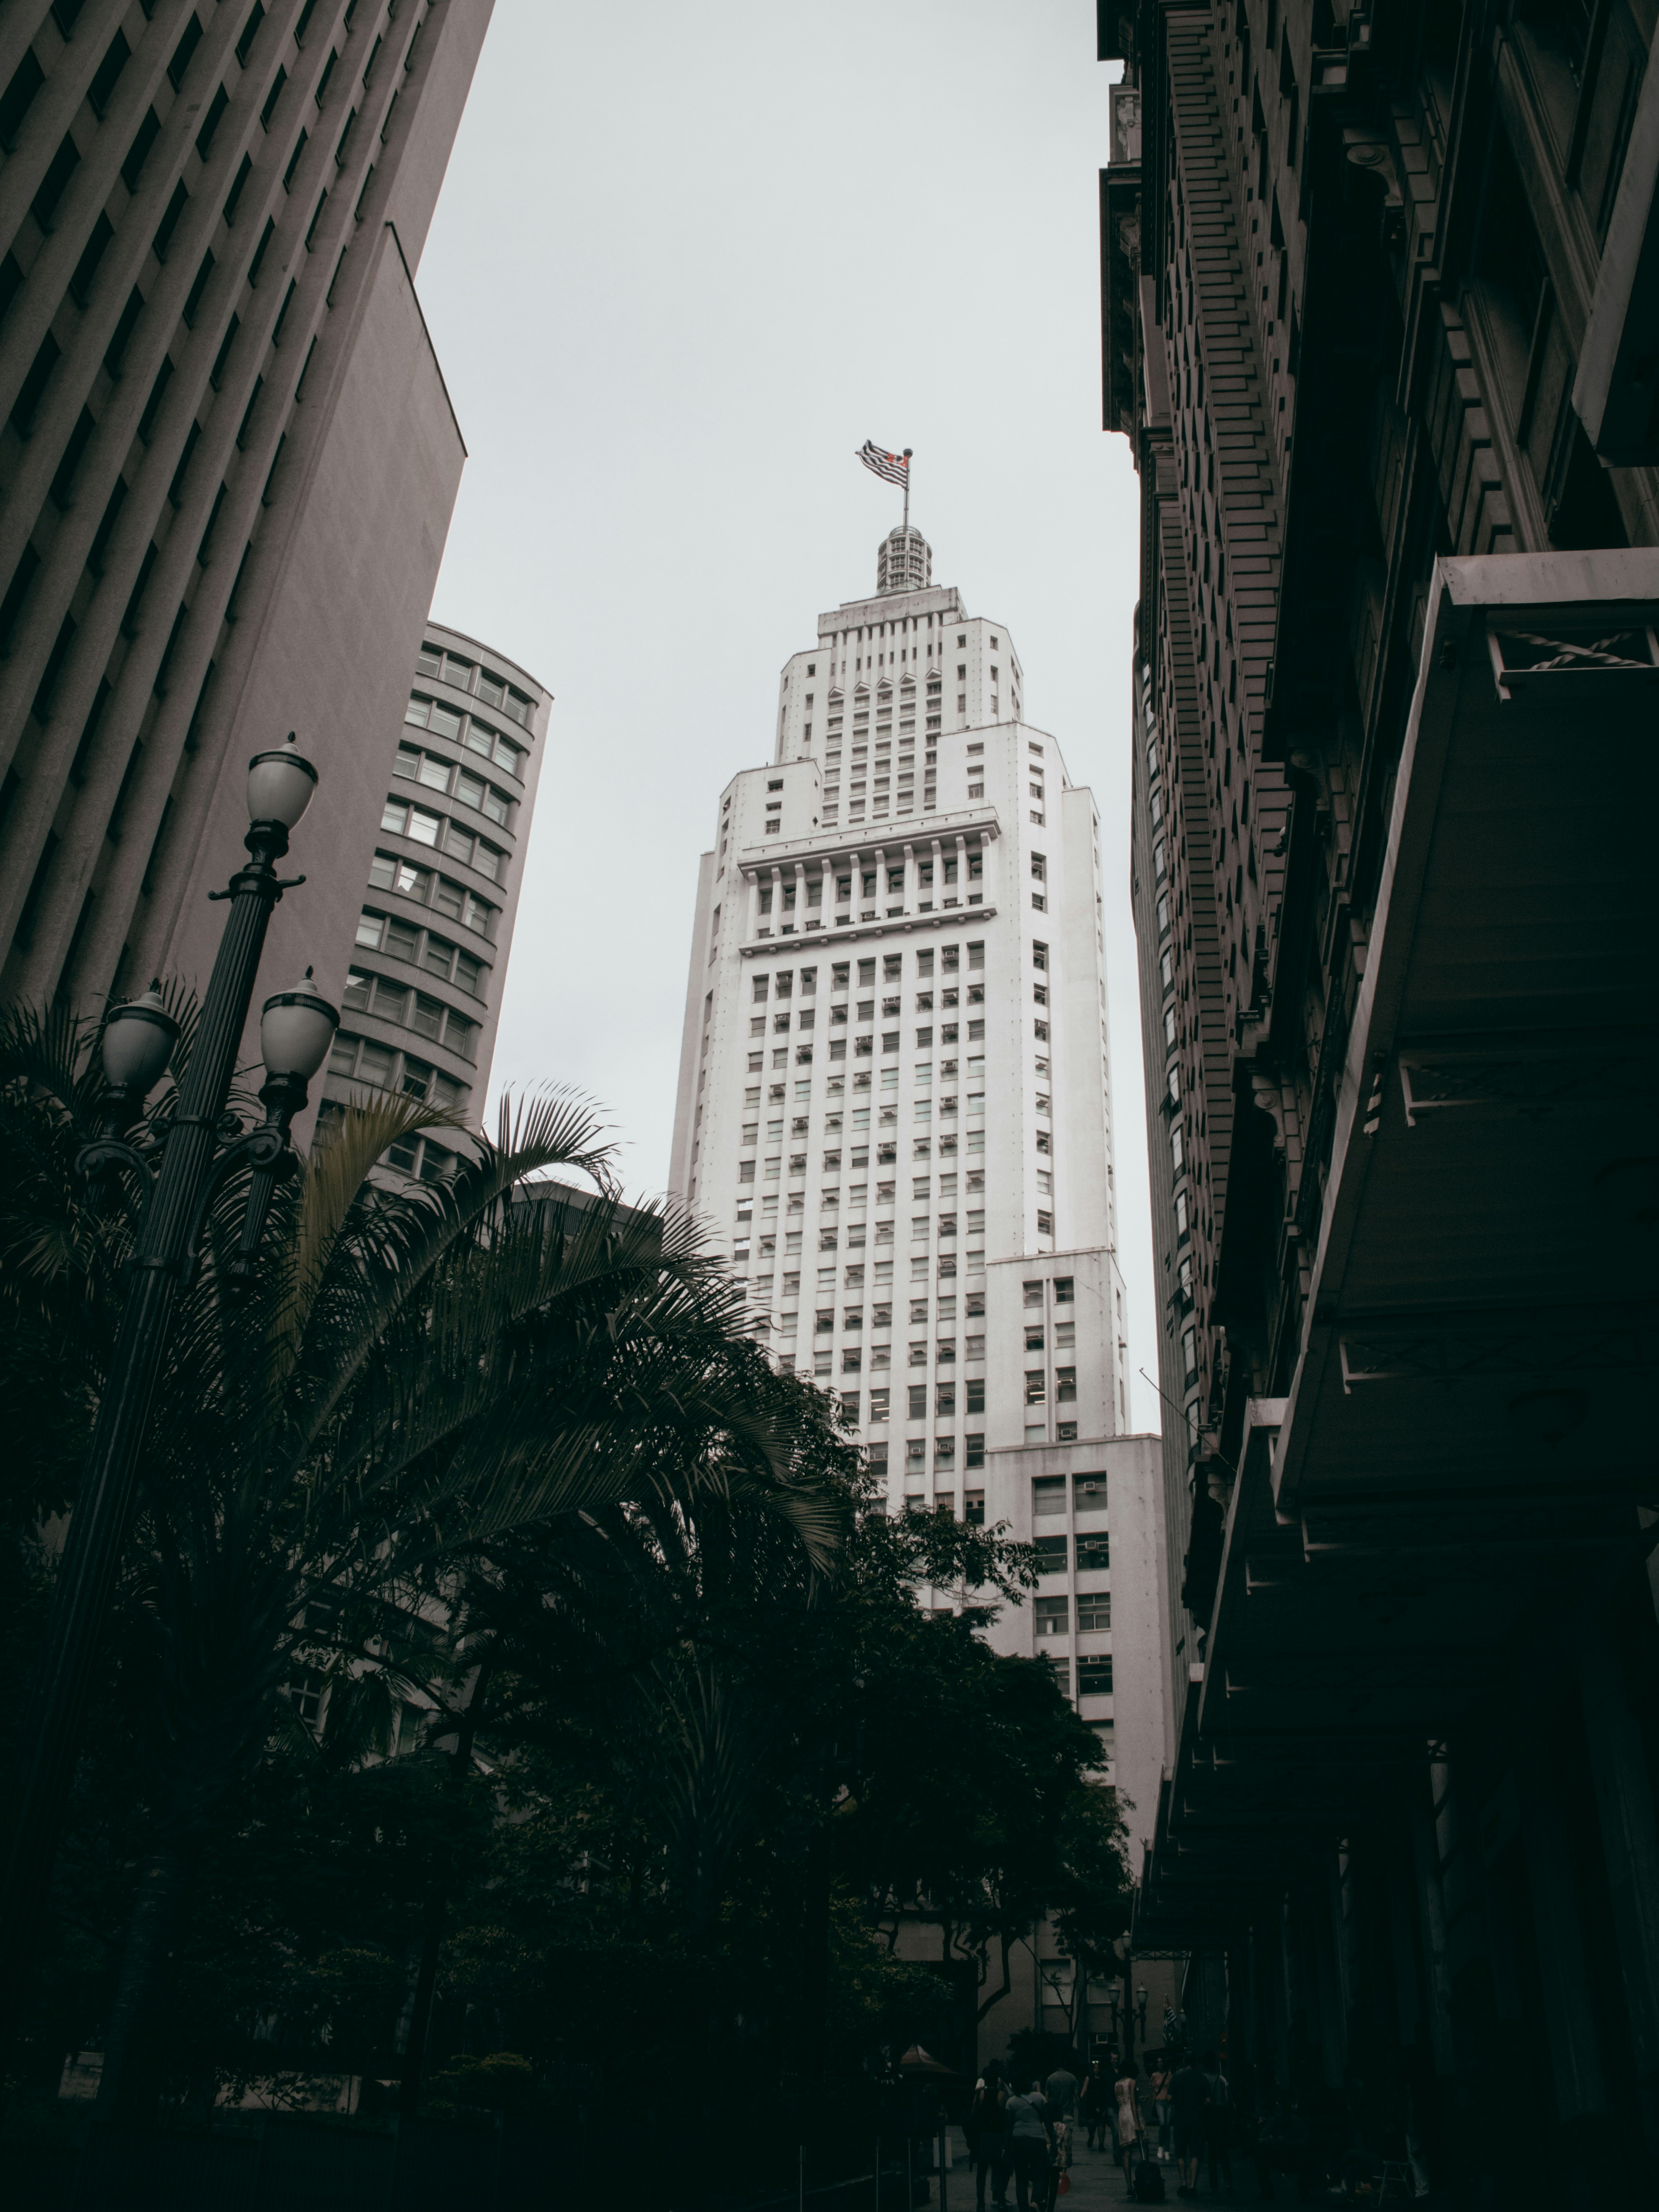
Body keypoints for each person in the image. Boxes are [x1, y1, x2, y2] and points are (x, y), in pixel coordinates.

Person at [1002, 2080, 1052, 2212]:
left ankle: (1023, 2208)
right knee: (1040, 2175)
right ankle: (1035, 2203)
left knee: (1021, 2178)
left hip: (1018, 2141)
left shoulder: (1011, 2102)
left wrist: (1006, 2148)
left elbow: (1008, 2127)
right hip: (1038, 2140)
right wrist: (1053, 2141)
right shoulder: (1040, 2097)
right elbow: (1048, 2121)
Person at [1168, 2051, 1210, 2198]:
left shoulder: (1177, 2076)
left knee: (1180, 2152)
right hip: (1197, 2119)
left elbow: (1170, 2097)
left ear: (1184, 2060)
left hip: (1181, 2118)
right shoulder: (1202, 2078)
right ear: (1196, 2061)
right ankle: (1193, 2186)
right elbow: (1208, 2101)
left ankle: (1183, 2184)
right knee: (1196, 2152)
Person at [971, 2061, 1009, 2212]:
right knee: (998, 2169)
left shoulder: (980, 2094)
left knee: (981, 2171)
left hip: (983, 2135)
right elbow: (1006, 2119)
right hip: (997, 2135)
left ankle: (980, 2201)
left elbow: (973, 2114)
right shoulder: (1002, 2095)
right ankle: (1000, 2199)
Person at [1200, 2051, 1232, 2194]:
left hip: (1209, 2117)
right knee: (1223, 2151)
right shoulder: (1222, 2079)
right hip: (1221, 2116)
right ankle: (1228, 2182)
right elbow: (1226, 2100)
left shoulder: (1202, 2080)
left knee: (1211, 2151)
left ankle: (1214, 2183)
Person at [1114, 2060, 1143, 2184]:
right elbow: (1132, 2101)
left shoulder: (1117, 2084)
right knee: (1142, 2146)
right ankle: (1143, 2180)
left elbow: (1121, 2101)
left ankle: (1129, 2186)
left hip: (1121, 2115)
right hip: (1132, 2115)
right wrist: (1137, 2123)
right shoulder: (1132, 2082)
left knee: (1126, 2152)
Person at [1150, 2060, 1173, 2162]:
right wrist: (1153, 2103)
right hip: (1159, 2101)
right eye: (1158, 2062)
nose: (1160, 2064)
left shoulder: (1169, 2074)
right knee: (1163, 2123)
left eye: (1161, 2062)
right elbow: (1153, 2089)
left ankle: (1167, 2150)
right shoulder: (1154, 2075)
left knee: (1168, 2125)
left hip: (1168, 2102)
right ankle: (1161, 2146)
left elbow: (1172, 2087)